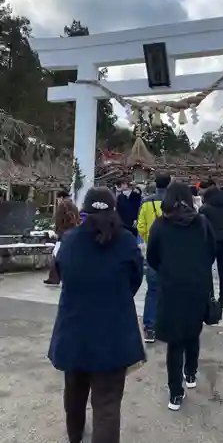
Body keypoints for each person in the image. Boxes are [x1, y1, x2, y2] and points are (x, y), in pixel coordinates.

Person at [49, 187, 145, 443]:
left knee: (75, 396)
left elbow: (61, 274)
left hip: (75, 331)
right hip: (113, 333)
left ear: (84, 211)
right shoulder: (127, 241)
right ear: (114, 210)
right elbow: (135, 280)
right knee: (107, 406)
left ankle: (75, 437)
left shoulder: (69, 241)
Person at [147, 182, 215, 411]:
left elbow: (152, 257)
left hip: (171, 287)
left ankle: (175, 393)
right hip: (196, 287)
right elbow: (211, 252)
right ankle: (191, 373)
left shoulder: (160, 225)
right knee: (192, 332)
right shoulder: (202, 223)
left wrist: (168, 269)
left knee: (174, 342)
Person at [137, 173, 171, 343]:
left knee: (152, 290)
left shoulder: (146, 201)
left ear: (155, 184)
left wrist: (148, 239)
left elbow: (141, 225)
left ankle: (149, 328)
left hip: (153, 251)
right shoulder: (175, 202)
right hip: (171, 252)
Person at [200, 186, 223, 310]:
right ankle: (222, 299)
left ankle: (211, 297)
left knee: (207, 271)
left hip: (209, 244)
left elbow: (201, 227)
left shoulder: (205, 210)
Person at [43, 199, 81, 287]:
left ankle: (54, 278)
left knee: (57, 256)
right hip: (70, 235)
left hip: (64, 235)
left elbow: (59, 225)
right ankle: (55, 277)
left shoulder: (62, 211)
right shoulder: (73, 211)